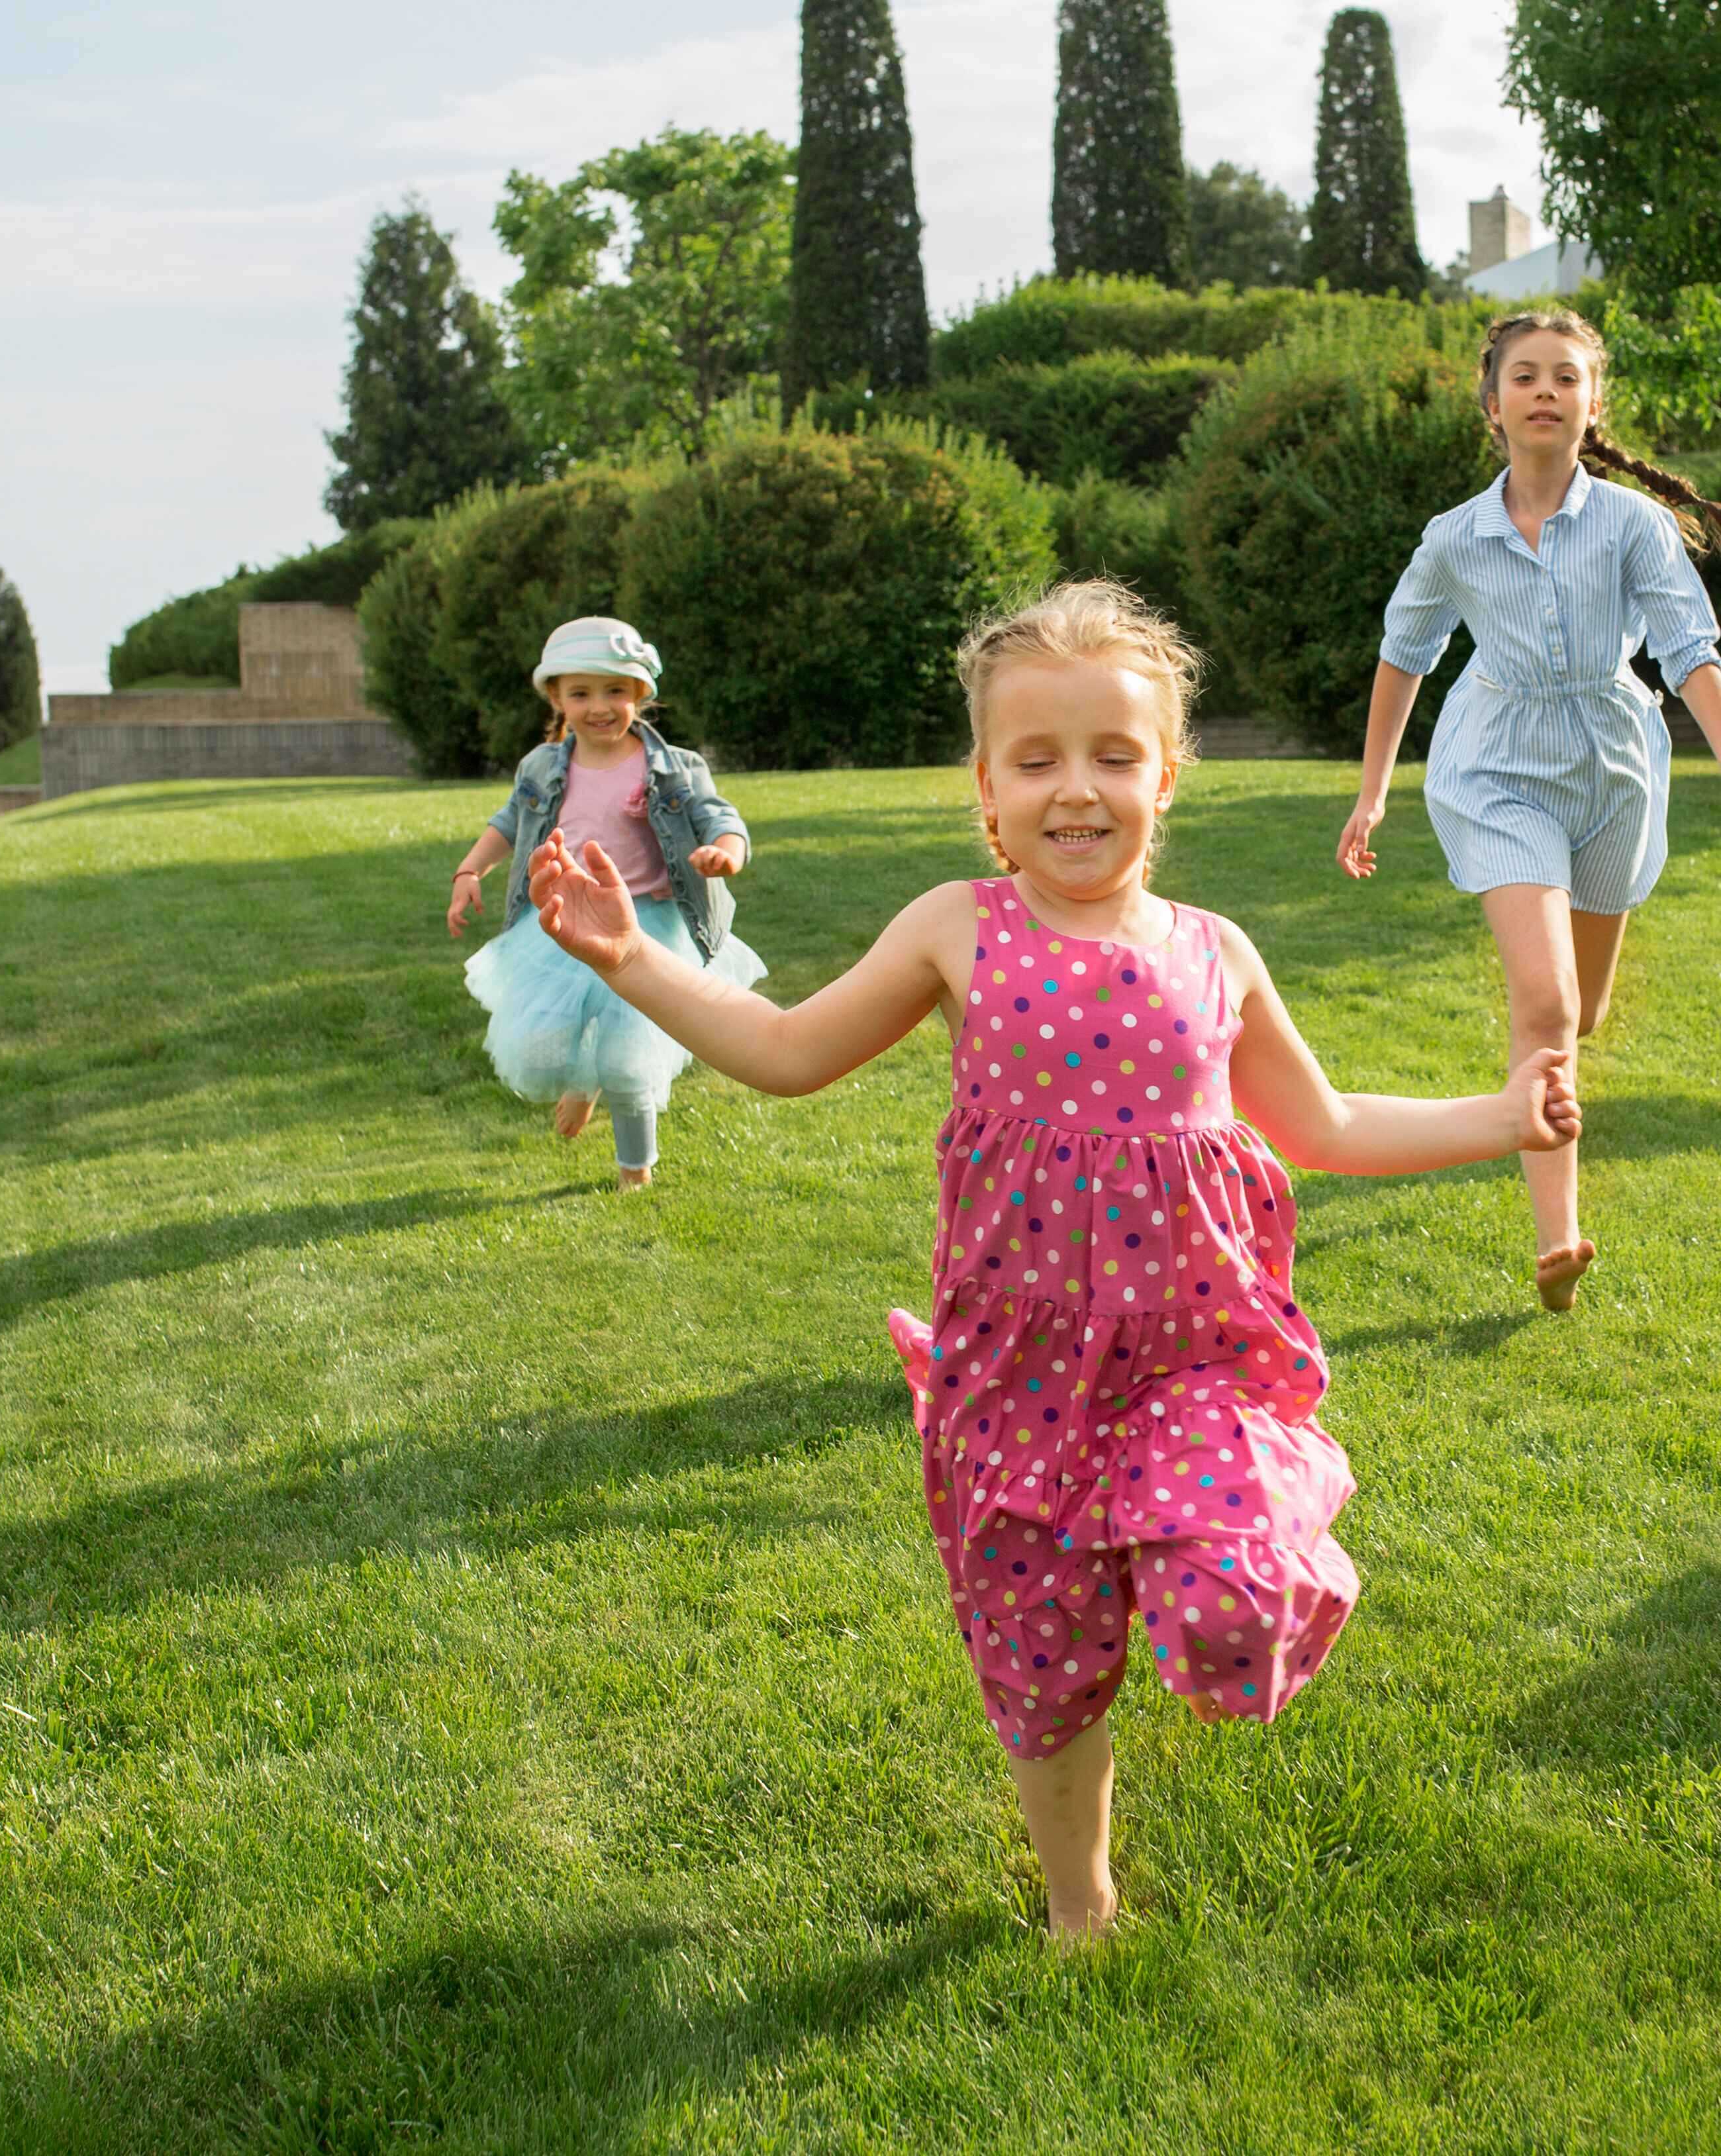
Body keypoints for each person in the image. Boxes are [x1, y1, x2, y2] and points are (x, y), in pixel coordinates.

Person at [520, 582, 1579, 1940]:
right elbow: (786, 1053)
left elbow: (1318, 1124)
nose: (1074, 789)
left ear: (1167, 775)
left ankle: (1275, 1510)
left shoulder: (1216, 952)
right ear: (985, 785)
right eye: (1035, 759)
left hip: (1190, 1362)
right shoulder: (958, 928)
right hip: (1016, 1384)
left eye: (1113, 755)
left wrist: (1500, 1116)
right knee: (1044, 1667)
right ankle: (1081, 1896)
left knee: (1231, 1602)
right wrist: (630, 963)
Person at [1336, 307, 1721, 1311]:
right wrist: (1371, 797)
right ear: (1492, 404)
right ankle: (1557, 1240)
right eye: (1525, 376)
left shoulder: (1632, 525)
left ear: (1590, 403)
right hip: (1494, 764)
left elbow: (1687, 645)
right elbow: (1404, 658)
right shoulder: (1453, 538)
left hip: (1614, 765)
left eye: (1565, 377)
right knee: (1545, 1006)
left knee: (1583, 1010)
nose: (1545, 391)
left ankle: (1535, 1100)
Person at [446, 616, 762, 1190]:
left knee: (629, 1056)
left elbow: (719, 815)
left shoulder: (672, 767)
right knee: (539, 1050)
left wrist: (726, 850)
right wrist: (471, 869)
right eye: (581, 693)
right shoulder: (542, 766)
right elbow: (510, 822)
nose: (599, 706)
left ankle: (634, 1170)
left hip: (649, 926)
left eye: (616, 690)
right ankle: (580, 1081)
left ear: (641, 694)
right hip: (567, 923)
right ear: (556, 697)